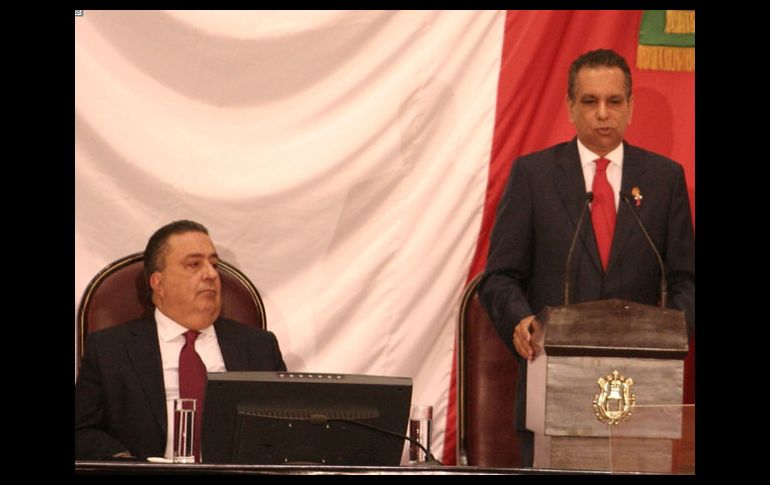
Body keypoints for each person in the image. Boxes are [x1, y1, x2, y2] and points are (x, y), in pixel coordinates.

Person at [478, 49, 695, 467]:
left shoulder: (665, 180)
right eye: (590, 101)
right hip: (553, 389)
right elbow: (499, 277)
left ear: (630, 106)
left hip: (643, 393)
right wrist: (520, 321)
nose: (603, 114)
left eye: (614, 101)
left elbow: (687, 280)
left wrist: (671, 336)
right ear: (570, 107)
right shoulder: (533, 176)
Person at [75, 220, 287, 460]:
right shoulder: (110, 349)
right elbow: (81, 431)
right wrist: (125, 462)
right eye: (194, 264)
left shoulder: (259, 347)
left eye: (214, 264)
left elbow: (286, 428)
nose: (211, 274)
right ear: (158, 283)